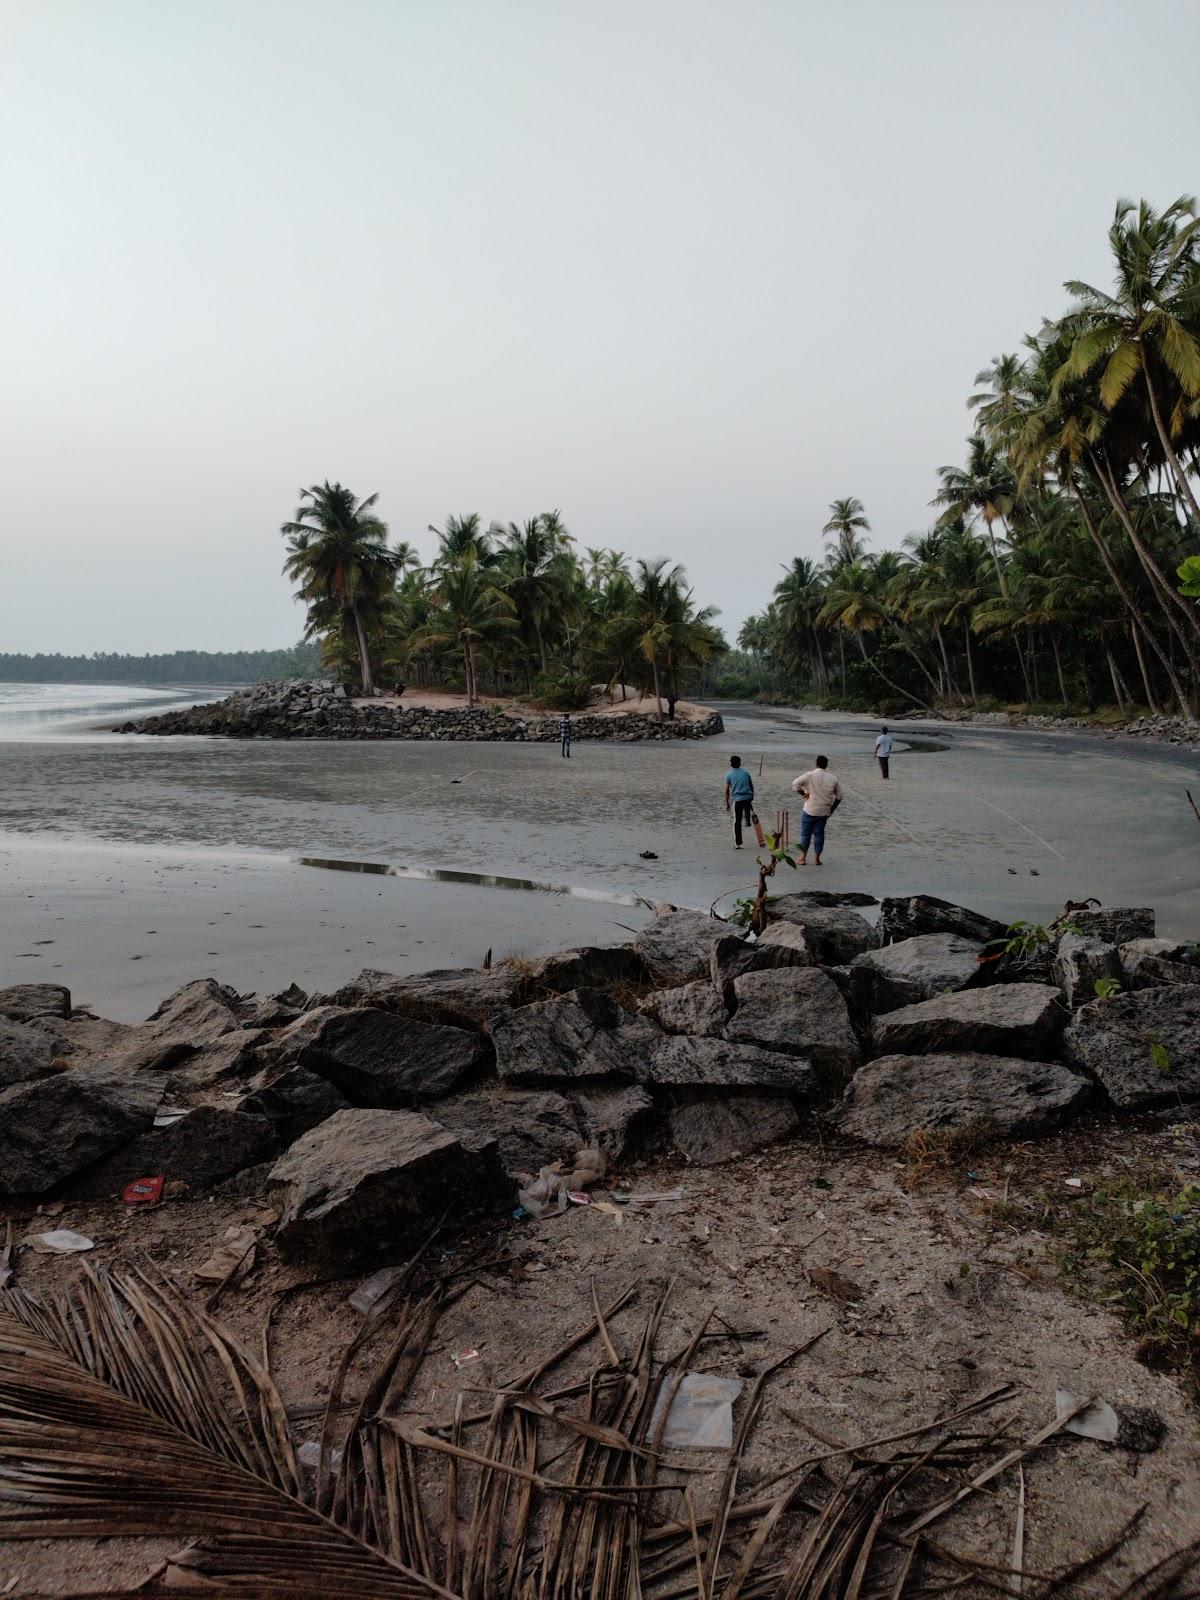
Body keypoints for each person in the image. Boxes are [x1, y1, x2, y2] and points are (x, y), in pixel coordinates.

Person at [791, 754, 842, 866]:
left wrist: (803, 794)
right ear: (826, 765)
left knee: (805, 834)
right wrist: (831, 809)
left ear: (816, 764)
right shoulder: (832, 778)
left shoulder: (810, 775)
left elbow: (795, 784)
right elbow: (839, 796)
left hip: (810, 808)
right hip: (824, 811)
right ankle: (817, 859)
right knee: (819, 834)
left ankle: (803, 858)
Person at [723, 755, 755, 849]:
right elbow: (751, 786)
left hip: (738, 799)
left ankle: (738, 843)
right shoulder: (746, 772)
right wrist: (752, 796)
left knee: (736, 821)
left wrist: (727, 803)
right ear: (740, 763)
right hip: (748, 797)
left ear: (731, 764)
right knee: (746, 805)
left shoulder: (729, 775)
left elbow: (726, 791)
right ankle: (747, 819)